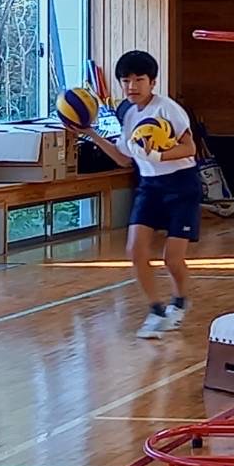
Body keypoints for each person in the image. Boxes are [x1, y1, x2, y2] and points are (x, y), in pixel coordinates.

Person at [74, 50, 200, 340]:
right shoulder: (127, 114)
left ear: (152, 82)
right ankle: (156, 311)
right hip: (149, 187)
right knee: (135, 250)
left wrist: (158, 155)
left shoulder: (168, 109)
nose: (132, 86)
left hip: (181, 186)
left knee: (172, 259)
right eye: (126, 80)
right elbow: (124, 159)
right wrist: (91, 134)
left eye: (139, 80)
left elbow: (190, 148)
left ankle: (180, 301)